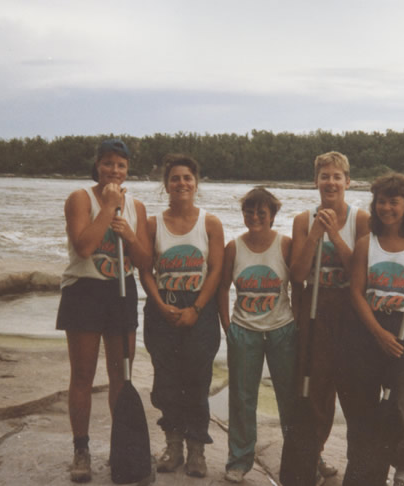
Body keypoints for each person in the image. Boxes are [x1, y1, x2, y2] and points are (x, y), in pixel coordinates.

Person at [55, 138, 151, 483]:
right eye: (108, 163)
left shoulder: (137, 206)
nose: (114, 170)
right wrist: (109, 208)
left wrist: (128, 234)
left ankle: (121, 447)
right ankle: (81, 449)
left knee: (121, 376)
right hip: (84, 289)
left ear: (128, 170)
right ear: (97, 165)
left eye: (121, 165)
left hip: (120, 291)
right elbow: (83, 248)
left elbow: (144, 260)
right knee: (82, 375)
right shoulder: (80, 198)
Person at [345, 172, 404, 486]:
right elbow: (356, 293)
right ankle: (366, 473)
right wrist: (377, 333)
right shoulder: (365, 243)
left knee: (401, 398)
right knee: (364, 402)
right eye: (381, 202)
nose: (387, 208)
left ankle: (402, 469)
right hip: (369, 327)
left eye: (394, 202)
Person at [138, 153, 225, 478]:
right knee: (166, 382)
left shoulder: (210, 223)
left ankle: (196, 450)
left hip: (200, 310)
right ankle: (173, 446)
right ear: (166, 184)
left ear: (196, 183)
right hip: (162, 310)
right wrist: (160, 304)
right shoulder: (152, 224)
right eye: (175, 178)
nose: (182, 183)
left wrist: (197, 308)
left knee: (197, 382)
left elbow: (215, 271)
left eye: (187, 178)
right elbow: (145, 270)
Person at [289, 151, 370, 482]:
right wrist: (315, 233)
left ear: (348, 182)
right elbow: (297, 273)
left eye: (338, 177)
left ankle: (360, 460)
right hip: (314, 309)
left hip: (349, 311)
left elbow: (360, 271)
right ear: (316, 182)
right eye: (325, 176)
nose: (331, 182)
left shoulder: (360, 220)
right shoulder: (302, 220)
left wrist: (334, 233)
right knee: (315, 386)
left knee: (351, 387)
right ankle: (314, 454)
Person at [218, 187, 299, 483]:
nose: (254, 217)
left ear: (273, 216)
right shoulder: (233, 247)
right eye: (249, 211)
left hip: (282, 330)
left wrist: (297, 326)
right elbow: (222, 287)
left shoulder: (286, 244)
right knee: (242, 398)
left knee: (290, 398)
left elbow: (298, 286)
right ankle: (239, 460)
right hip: (245, 332)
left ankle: (301, 457)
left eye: (261, 212)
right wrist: (229, 327)